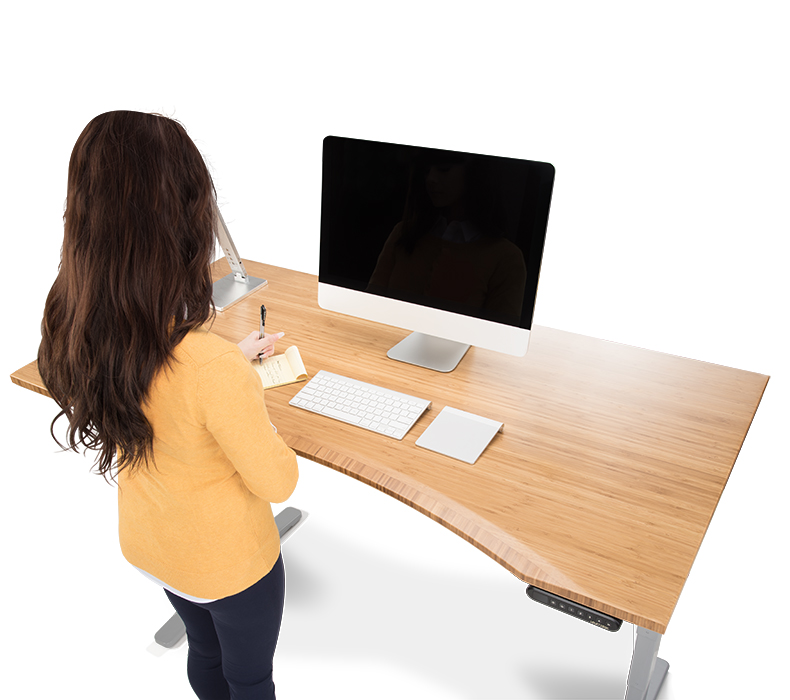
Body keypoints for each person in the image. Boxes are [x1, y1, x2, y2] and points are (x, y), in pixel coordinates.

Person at [37, 111, 298, 700]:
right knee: (251, 678)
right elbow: (279, 480)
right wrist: (236, 380)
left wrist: (223, 360)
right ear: (184, 223)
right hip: (229, 567)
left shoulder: (73, 325)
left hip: (152, 549)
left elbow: (162, 382)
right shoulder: (210, 368)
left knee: (205, 650)